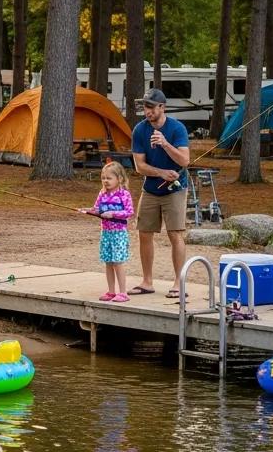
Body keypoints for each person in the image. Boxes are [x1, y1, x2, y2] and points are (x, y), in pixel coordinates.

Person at [129, 88, 190, 298]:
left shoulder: (177, 128)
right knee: (144, 232)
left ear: (162, 107)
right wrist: (161, 173)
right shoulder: (139, 130)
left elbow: (184, 161)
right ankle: (147, 281)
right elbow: (139, 166)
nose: (147, 111)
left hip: (176, 189)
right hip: (151, 188)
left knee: (175, 234)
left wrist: (165, 144)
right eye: (145, 107)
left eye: (151, 107)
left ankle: (178, 283)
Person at [78, 160, 134, 302]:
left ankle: (123, 292)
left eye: (109, 178)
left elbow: (129, 212)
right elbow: (96, 209)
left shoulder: (124, 194)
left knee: (117, 262)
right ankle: (111, 291)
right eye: (103, 178)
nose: (105, 181)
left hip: (119, 233)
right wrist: (86, 210)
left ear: (119, 179)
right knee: (108, 262)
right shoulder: (102, 194)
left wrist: (113, 214)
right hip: (106, 233)